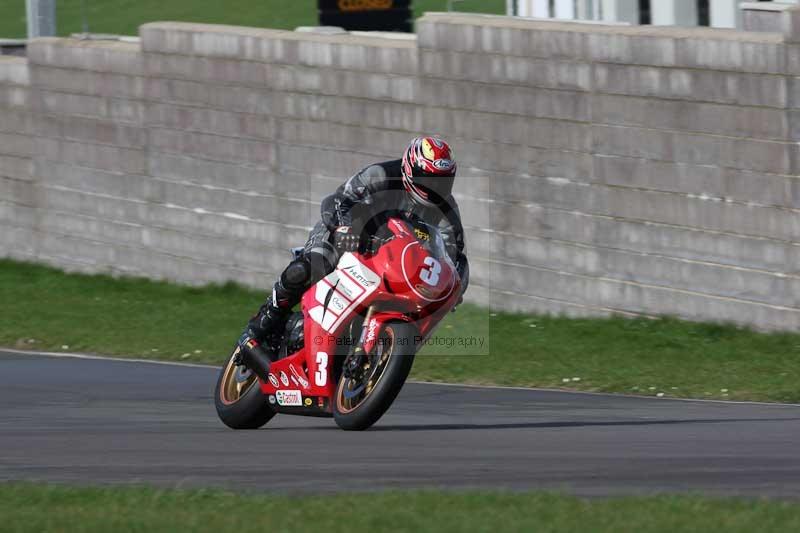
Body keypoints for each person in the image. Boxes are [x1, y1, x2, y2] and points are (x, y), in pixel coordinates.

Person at [239, 136, 470, 357]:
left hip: (389, 262)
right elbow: (340, 200)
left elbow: (455, 258)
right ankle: (268, 315)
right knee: (313, 265)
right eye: (428, 179)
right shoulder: (380, 175)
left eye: (442, 181)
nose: (435, 187)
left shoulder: (447, 213)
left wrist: (453, 289)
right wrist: (345, 229)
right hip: (351, 234)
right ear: (410, 168)